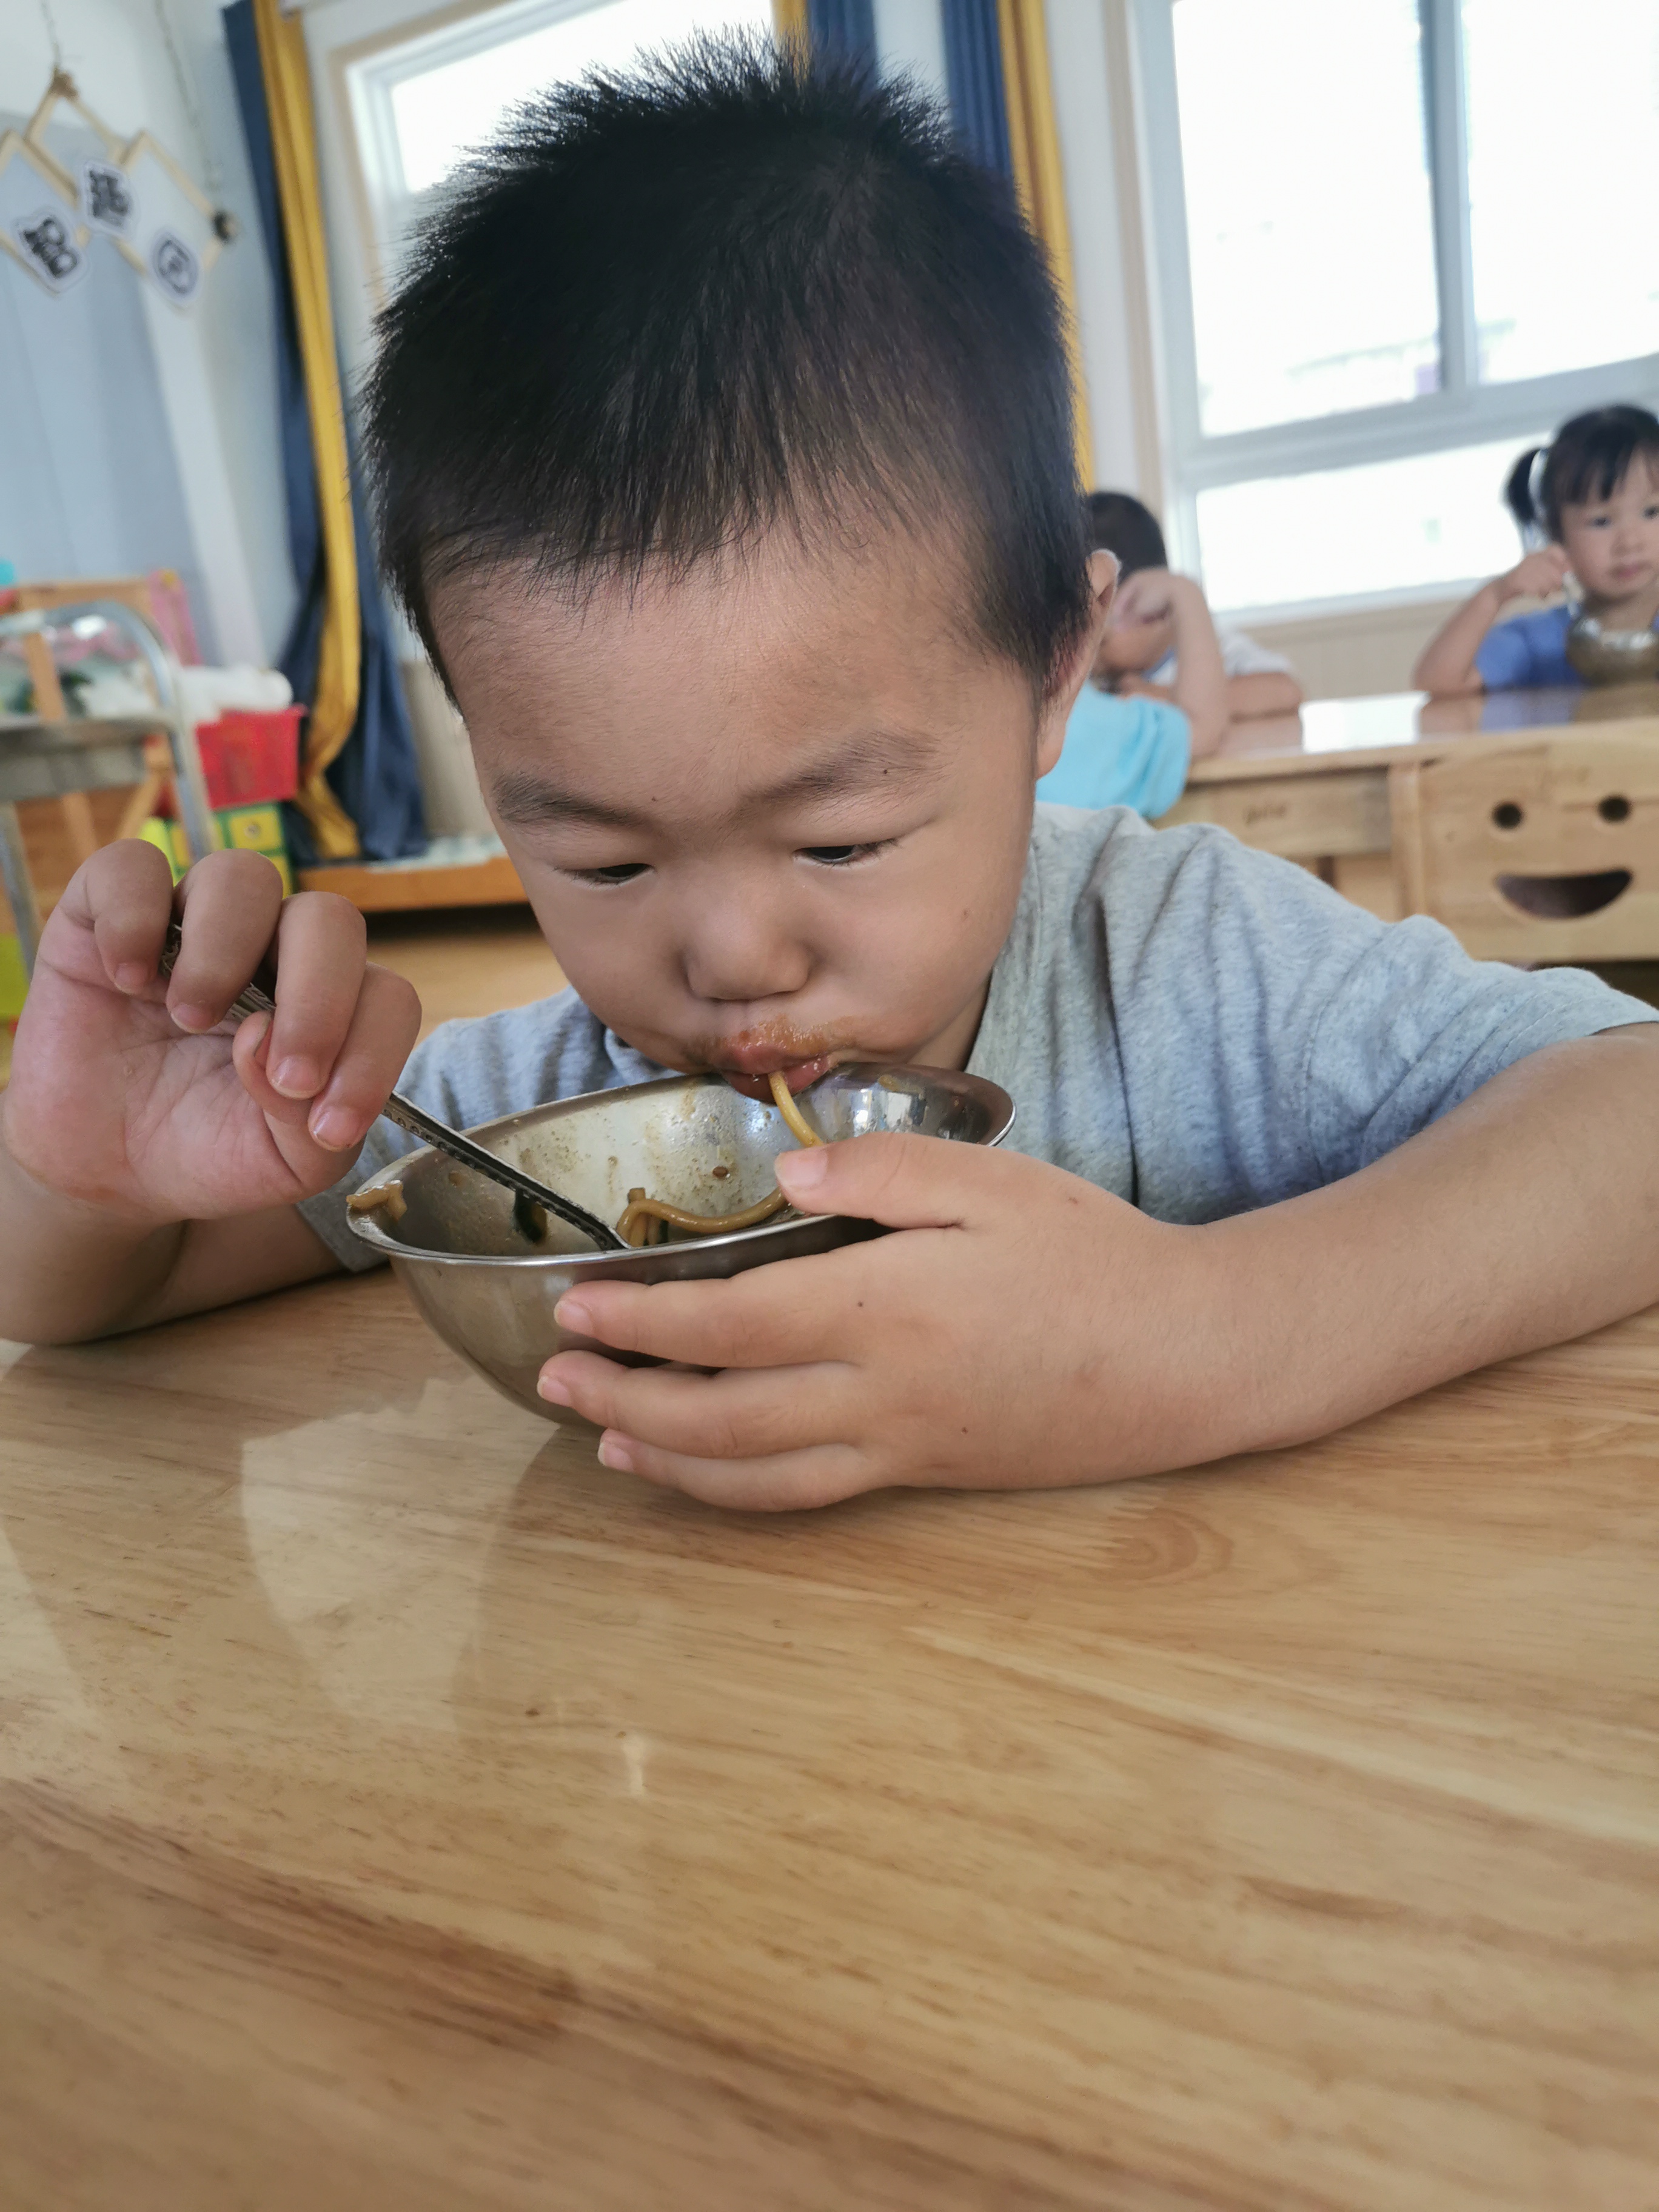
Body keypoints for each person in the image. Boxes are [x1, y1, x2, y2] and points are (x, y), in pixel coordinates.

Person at [4, 44, 1658, 1513]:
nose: (730, 958)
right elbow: (88, 1298)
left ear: (1053, 671)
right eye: (605, 861)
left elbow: (1629, 1106)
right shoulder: (526, 1117)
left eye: (843, 838)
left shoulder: (1185, 970)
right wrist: (87, 1180)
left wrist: (1202, 1334)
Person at [1414, 406, 1659, 696]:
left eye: (1651, 512)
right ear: (1557, 534)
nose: (1629, 542)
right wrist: (1496, 594)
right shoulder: (1540, 641)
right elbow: (1438, 681)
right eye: (1601, 521)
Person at [1085, 491, 1303, 722]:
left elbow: (1285, 690)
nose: (1088, 657)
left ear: (1152, 611)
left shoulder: (1208, 646)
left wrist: (1161, 698)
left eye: (1102, 643)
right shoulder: (1097, 677)